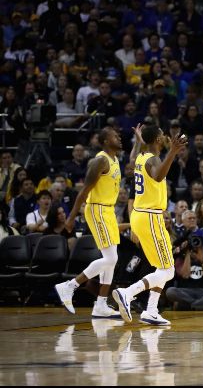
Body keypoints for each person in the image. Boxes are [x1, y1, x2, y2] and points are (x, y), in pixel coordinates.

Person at [112, 125, 188, 326]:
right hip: (150, 217)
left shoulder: (141, 157)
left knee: (161, 267)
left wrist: (139, 141)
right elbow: (158, 176)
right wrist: (173, 152)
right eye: (162, 135)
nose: (165, 137)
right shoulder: (153, 160)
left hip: (141, 215)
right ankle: (128, 293)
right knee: (168, 271)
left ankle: (151, 311)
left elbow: (131, 158)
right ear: (157, 140)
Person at [54, 127, 127, 319]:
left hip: (108, 211)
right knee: (111, 259)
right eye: (115, 136)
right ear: (105, 141)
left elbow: (134, 160)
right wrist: (71, 218)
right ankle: (70, 286)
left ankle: (101, 305)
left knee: (111, 260)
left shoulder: (115, 159)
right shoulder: (100, 160)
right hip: (97, 209)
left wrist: (139, 143)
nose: (119, 137)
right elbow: (84, 190)